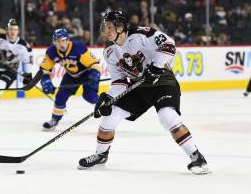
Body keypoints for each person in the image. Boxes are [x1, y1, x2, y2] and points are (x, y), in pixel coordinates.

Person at [78, 10, 209, 175]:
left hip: (162, 82)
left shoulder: (141, 34)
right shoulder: (109, 52)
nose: (106, 30)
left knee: (167, 116)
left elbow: (169, 44)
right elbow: (119, 81)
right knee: (109, 116)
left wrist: (156, 66)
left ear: (120, 27)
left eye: (110, 26)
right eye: (105, 26)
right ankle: (100, 154)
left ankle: (196, 157)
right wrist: (108, 98)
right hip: (138, 86)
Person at [40, 28, 100, 131]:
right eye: (58, 41)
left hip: (87, 73)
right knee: (60, 96)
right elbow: (45, 69)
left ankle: (108, 106)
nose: (61, 43)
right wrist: (45, 81)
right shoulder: (52, 51)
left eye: (63, 40)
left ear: (68, 40)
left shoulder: (78, 47)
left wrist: (94, 74)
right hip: (71, 76)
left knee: (90, 96)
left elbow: (93, 63)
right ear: (54, 41)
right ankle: (54, 120)